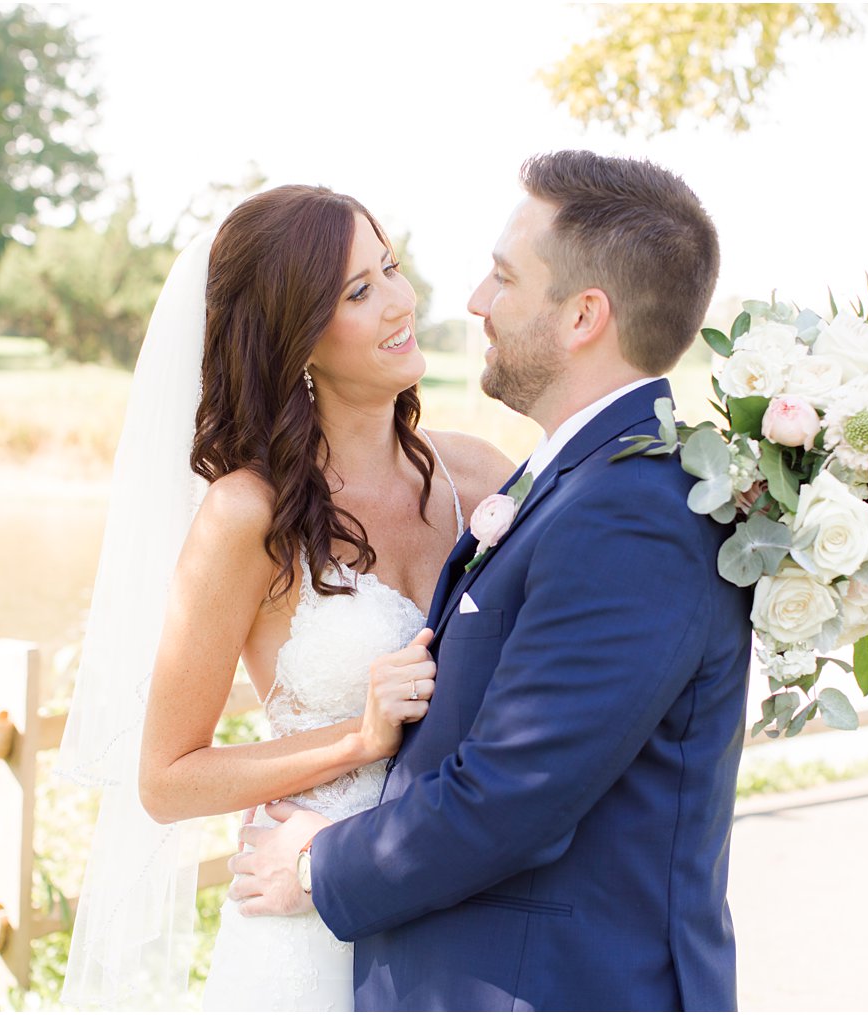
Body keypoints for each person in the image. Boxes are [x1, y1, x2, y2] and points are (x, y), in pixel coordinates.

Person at [234, 151, 755, 1011]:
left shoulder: (631, 510)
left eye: (505, 278)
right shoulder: (574, 479)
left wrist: (316, 860)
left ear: (585, 314)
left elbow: (514, 794)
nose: (474, 300)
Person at [56, 184, 515, 1010]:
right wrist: (359, 737)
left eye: (391, 268)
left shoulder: (476, 477)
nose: (400, 303)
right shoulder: (247, 514)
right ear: (295, 335)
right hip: (302, 924)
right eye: (358, 292)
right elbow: (167, 779)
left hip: (457, 913)